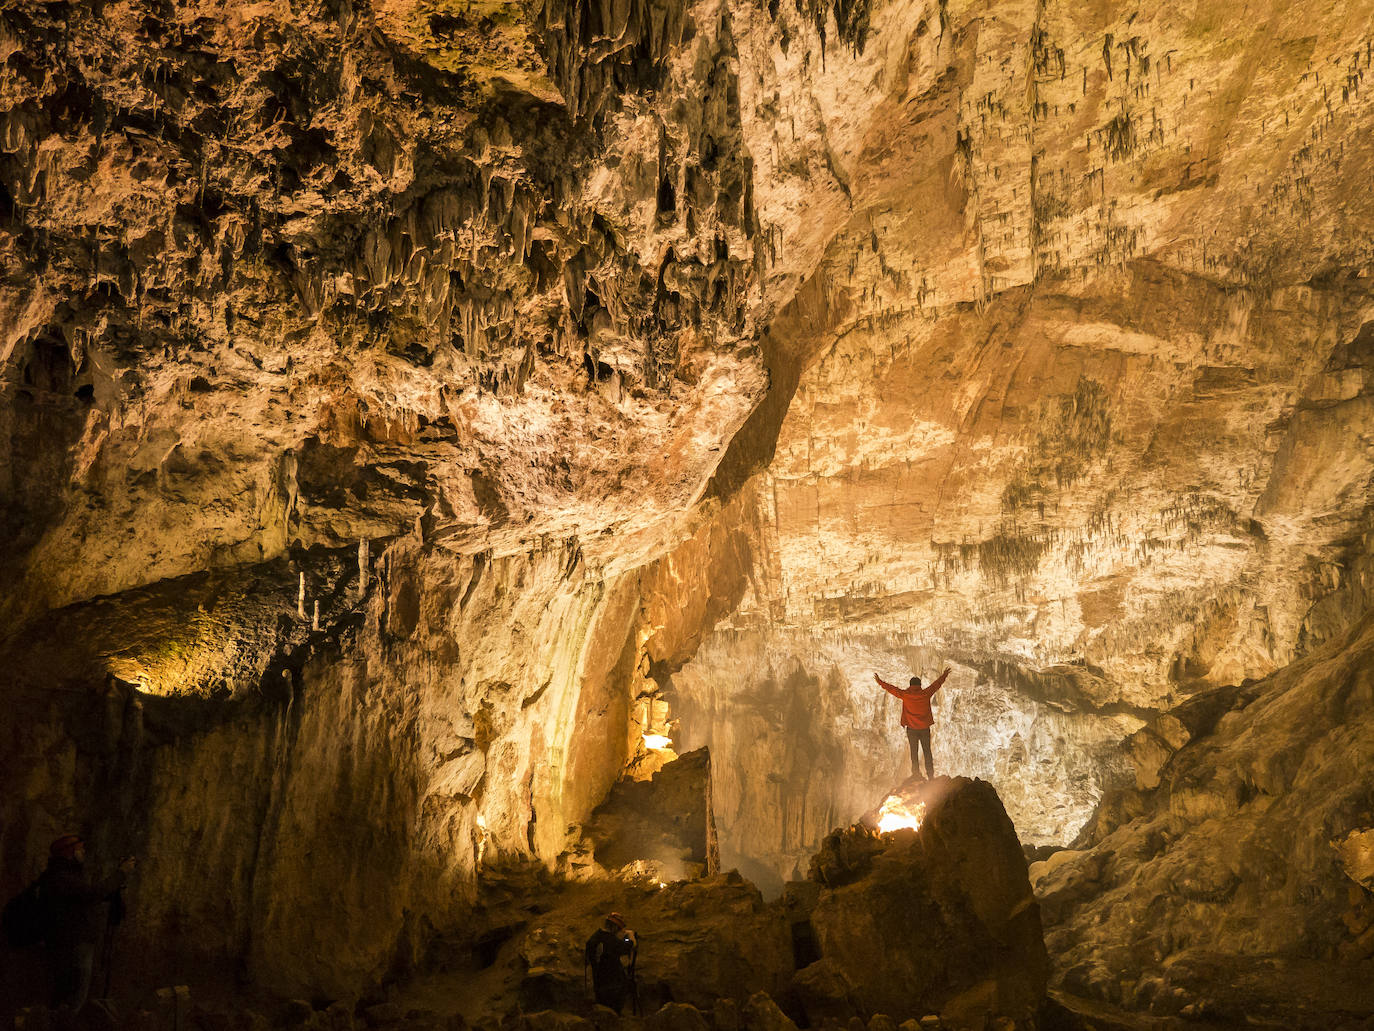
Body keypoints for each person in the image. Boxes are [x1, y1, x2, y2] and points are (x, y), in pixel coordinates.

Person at [40, 835, 134, 1016]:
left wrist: (113, 886)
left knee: (71, 988)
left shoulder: (65, 874)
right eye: (80, 850)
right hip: (73, 941)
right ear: (70, 852)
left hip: (72, 939)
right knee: (76, 990)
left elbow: (84, 897)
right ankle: (64, 1022)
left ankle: (62, 1019)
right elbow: (91, 894)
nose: (83, 853)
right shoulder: (62, 877)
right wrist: (121, 873)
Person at [874, 667, 951, 779]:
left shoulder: (905, 694)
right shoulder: (926, 693)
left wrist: (880, 681)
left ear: (910, 685)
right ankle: (930, 775)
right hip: (924, 729)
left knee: (914, 752)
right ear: (920, 685)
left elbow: (891, 689)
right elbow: (936, 685)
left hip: (912, 730)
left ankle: (916, 774)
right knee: (927, 752)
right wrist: (944, 675)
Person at [584, 911, 636, 1013]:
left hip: (599, 985)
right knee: (614, 1013)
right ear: (615, 927)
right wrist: (631, 936)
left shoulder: (595, 937)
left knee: (603, 1013)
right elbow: (628, 946)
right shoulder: (611, 940)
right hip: (613, 987)